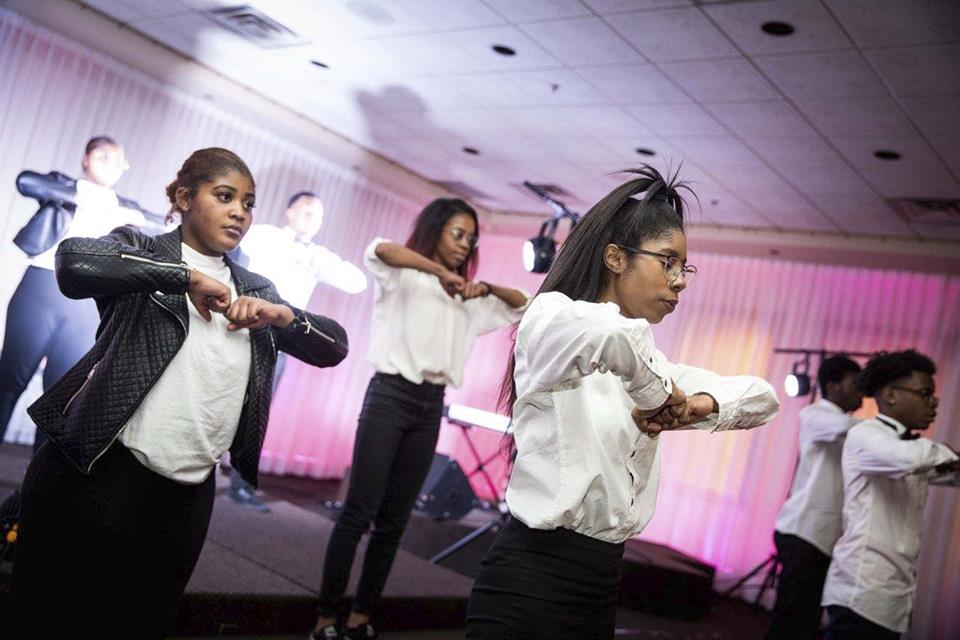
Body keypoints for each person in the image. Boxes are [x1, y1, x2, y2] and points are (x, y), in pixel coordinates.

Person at [10, 147, 349, 638]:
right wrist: (183, 277)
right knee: (49, 619)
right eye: (225, 196)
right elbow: (74, 261)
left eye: (249, 203)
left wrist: (286, 317)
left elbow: (335, 347)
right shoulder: (142, 248)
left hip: (186, 496)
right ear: (184, 198)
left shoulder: (257, 289)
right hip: (97, 471)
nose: (240, 212)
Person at [464, 166, 781, 640]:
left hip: (601, 584)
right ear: (615, 257)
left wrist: (695, 405)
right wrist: (660, 398)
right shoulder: (552, 316)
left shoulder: (651, 361)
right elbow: (614, 336)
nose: (680, 281)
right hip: (530, 579)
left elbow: (763, 397)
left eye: (684, 268)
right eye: (668, 262)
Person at [310, 198, 530, 640]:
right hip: (389, 397)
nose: (464, 245)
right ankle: (325, 617)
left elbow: (523, 302)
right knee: (358, 511)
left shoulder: (469, 300)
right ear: (435, 230)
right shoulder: (403, 274)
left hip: (430, 406)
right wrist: (438, 273)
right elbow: (381, 249)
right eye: (457, 234)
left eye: (471, 239)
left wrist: (483, 286)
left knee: (394, 520)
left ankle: (361, 617)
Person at [226, 190, 367, 511]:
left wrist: (315, 260)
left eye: (318, 216)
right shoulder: (265, 236)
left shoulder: (317, 255)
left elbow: (357, 283)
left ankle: (240, 486)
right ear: (289, 212)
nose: (312, 220)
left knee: (257, 413)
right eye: (306, 212)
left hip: (279, 341)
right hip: (240, 328)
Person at [0, 136, 144, 447]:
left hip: (87, 303)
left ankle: (37, 475)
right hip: (41, 289)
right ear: (86, 159)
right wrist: (83, 197)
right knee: (9, 379)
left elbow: (159, 227)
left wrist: (132, 218)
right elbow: (26, 181)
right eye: (104, 157)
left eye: (119, 161)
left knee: (60, 397)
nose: (112, 165)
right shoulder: (63, 186)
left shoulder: (126, 208)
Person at [821, 350, 958, 640]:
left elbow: (947, 471)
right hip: (861, 593)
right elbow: (909, 457)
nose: (934, 402)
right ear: (891, 395)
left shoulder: (911, 448)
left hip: (892, 598)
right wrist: (951, 456)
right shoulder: (866, 435)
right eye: (925, 393)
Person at [767, 356, 863, 639]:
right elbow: (845, 427)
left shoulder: (853, 427)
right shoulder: (814, 414)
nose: (862, 392)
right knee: (791, 622)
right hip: (803, 532)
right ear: (832, 386)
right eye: (855, 384)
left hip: (821, 537)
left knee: (805, 620)